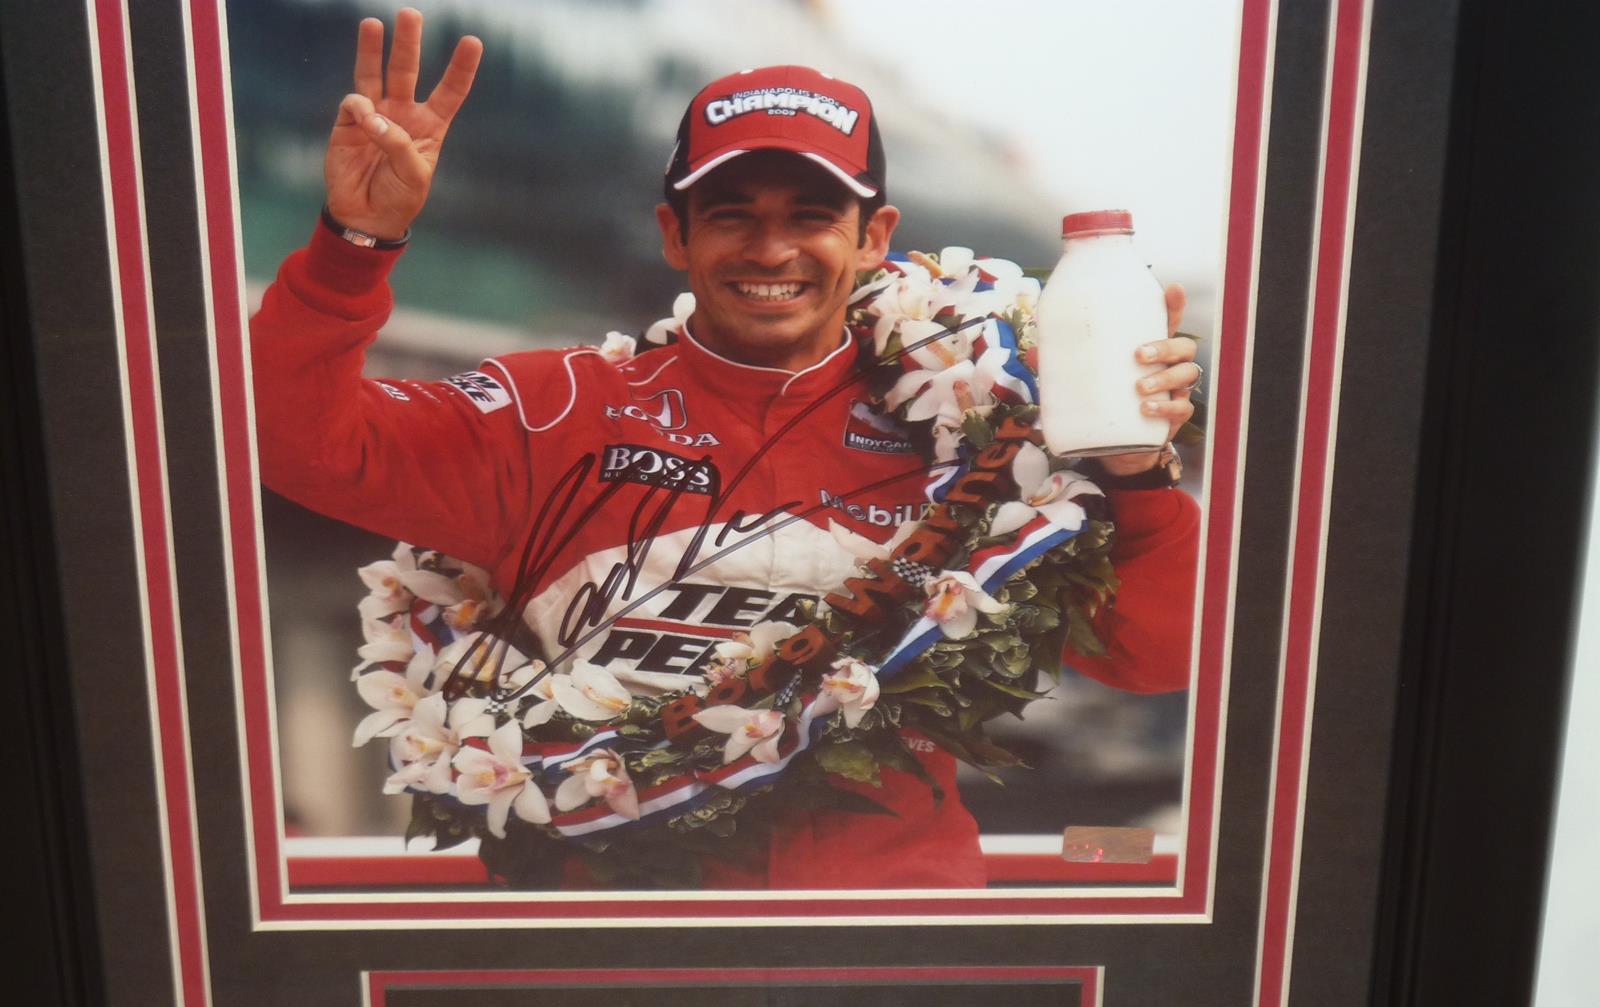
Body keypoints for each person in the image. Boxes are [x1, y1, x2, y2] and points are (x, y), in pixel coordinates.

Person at [250, 9, 1202, 890]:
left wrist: (1138, 473)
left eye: (810, 216)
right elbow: (291, 441)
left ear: (874, 238)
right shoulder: (549, 410)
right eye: (732, 213)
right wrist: (353, 244)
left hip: (891, 947)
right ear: (675, 234)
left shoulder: (978, 429)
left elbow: (1159, 657)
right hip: (613, 952)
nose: (770, 249)